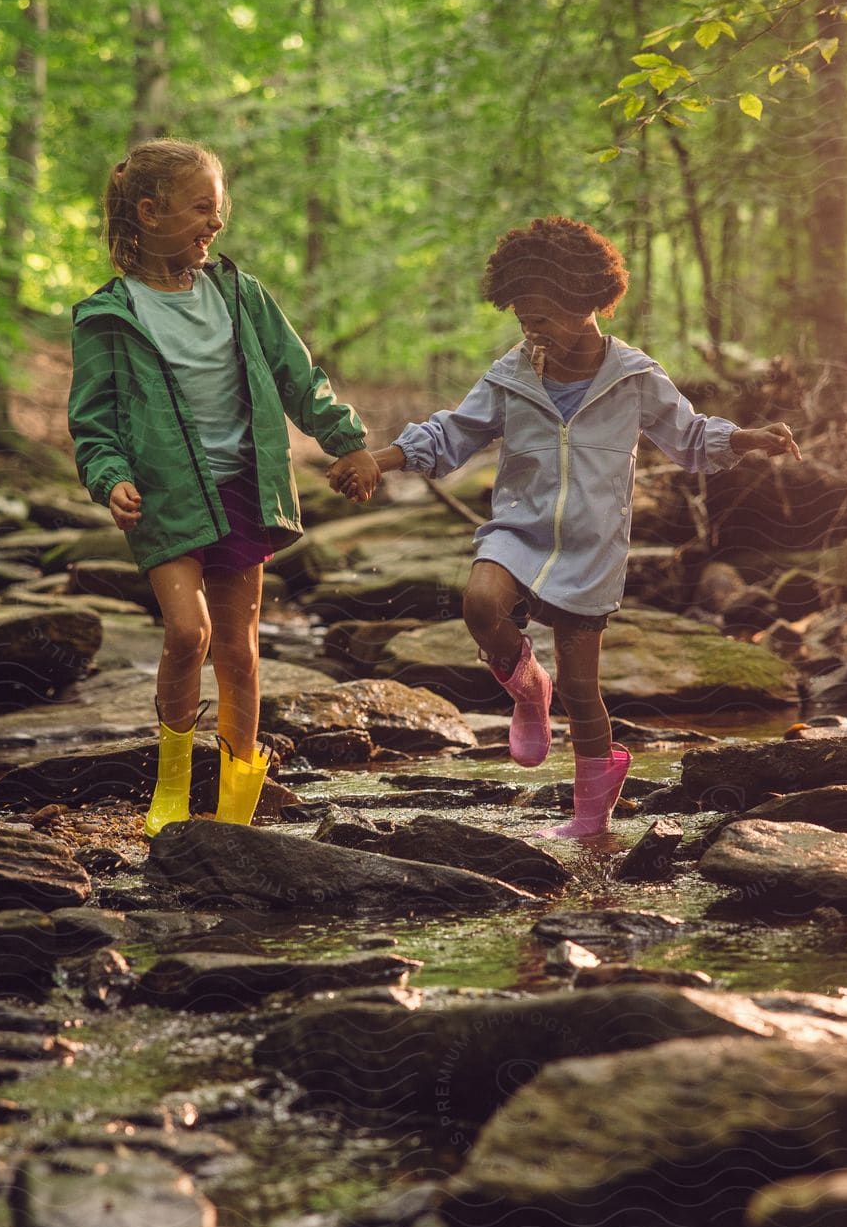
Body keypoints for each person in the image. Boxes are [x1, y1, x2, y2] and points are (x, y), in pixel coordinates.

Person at [327, 215, 800, 840]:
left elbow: (688, 435)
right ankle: (527, 686)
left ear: (586, 303)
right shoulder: (513, 374)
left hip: (592, 544)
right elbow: (451, 433)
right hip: (517, 528)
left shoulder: (634, 376)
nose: (531, 329)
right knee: (481, 604)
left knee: (585, 692)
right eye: (522, 318)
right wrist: (378, 462)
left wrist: (748, 439)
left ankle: (589, 820)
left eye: (542, 316)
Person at [67, 138, 376, 836]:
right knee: (188, 632)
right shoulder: (107, 315)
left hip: (243, 486)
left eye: (220, 207)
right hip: (164, 495)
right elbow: (92, 420)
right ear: (149, 213)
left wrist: (348, 443)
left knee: (238, 648)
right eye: (202, 208)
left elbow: (300, 376)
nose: (217, 222)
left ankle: (236, 803)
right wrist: (109, 478)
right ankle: (171, 788)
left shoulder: (239, 294)